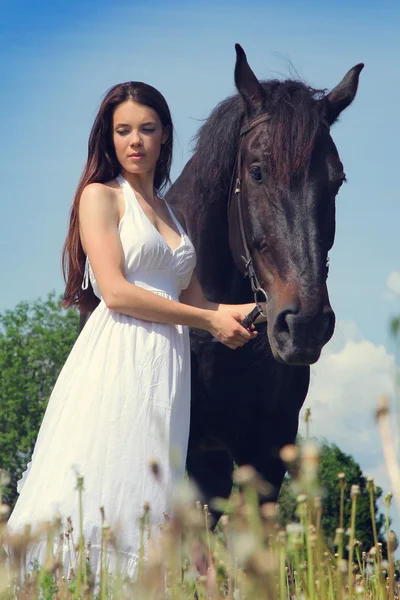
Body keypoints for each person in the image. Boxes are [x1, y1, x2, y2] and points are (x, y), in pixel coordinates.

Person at [6, 81, 260, 581]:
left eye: (146, 129)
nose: (135, 141)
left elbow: (197, 301)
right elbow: (116, 292)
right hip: (119, 353)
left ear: (164, 134)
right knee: (107, 470)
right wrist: (208, 321)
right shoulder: (99, 197)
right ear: (109, 138)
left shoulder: (171, 213)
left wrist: (266, 308)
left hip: (167, 364)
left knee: (152, 480)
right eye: (123, 131)